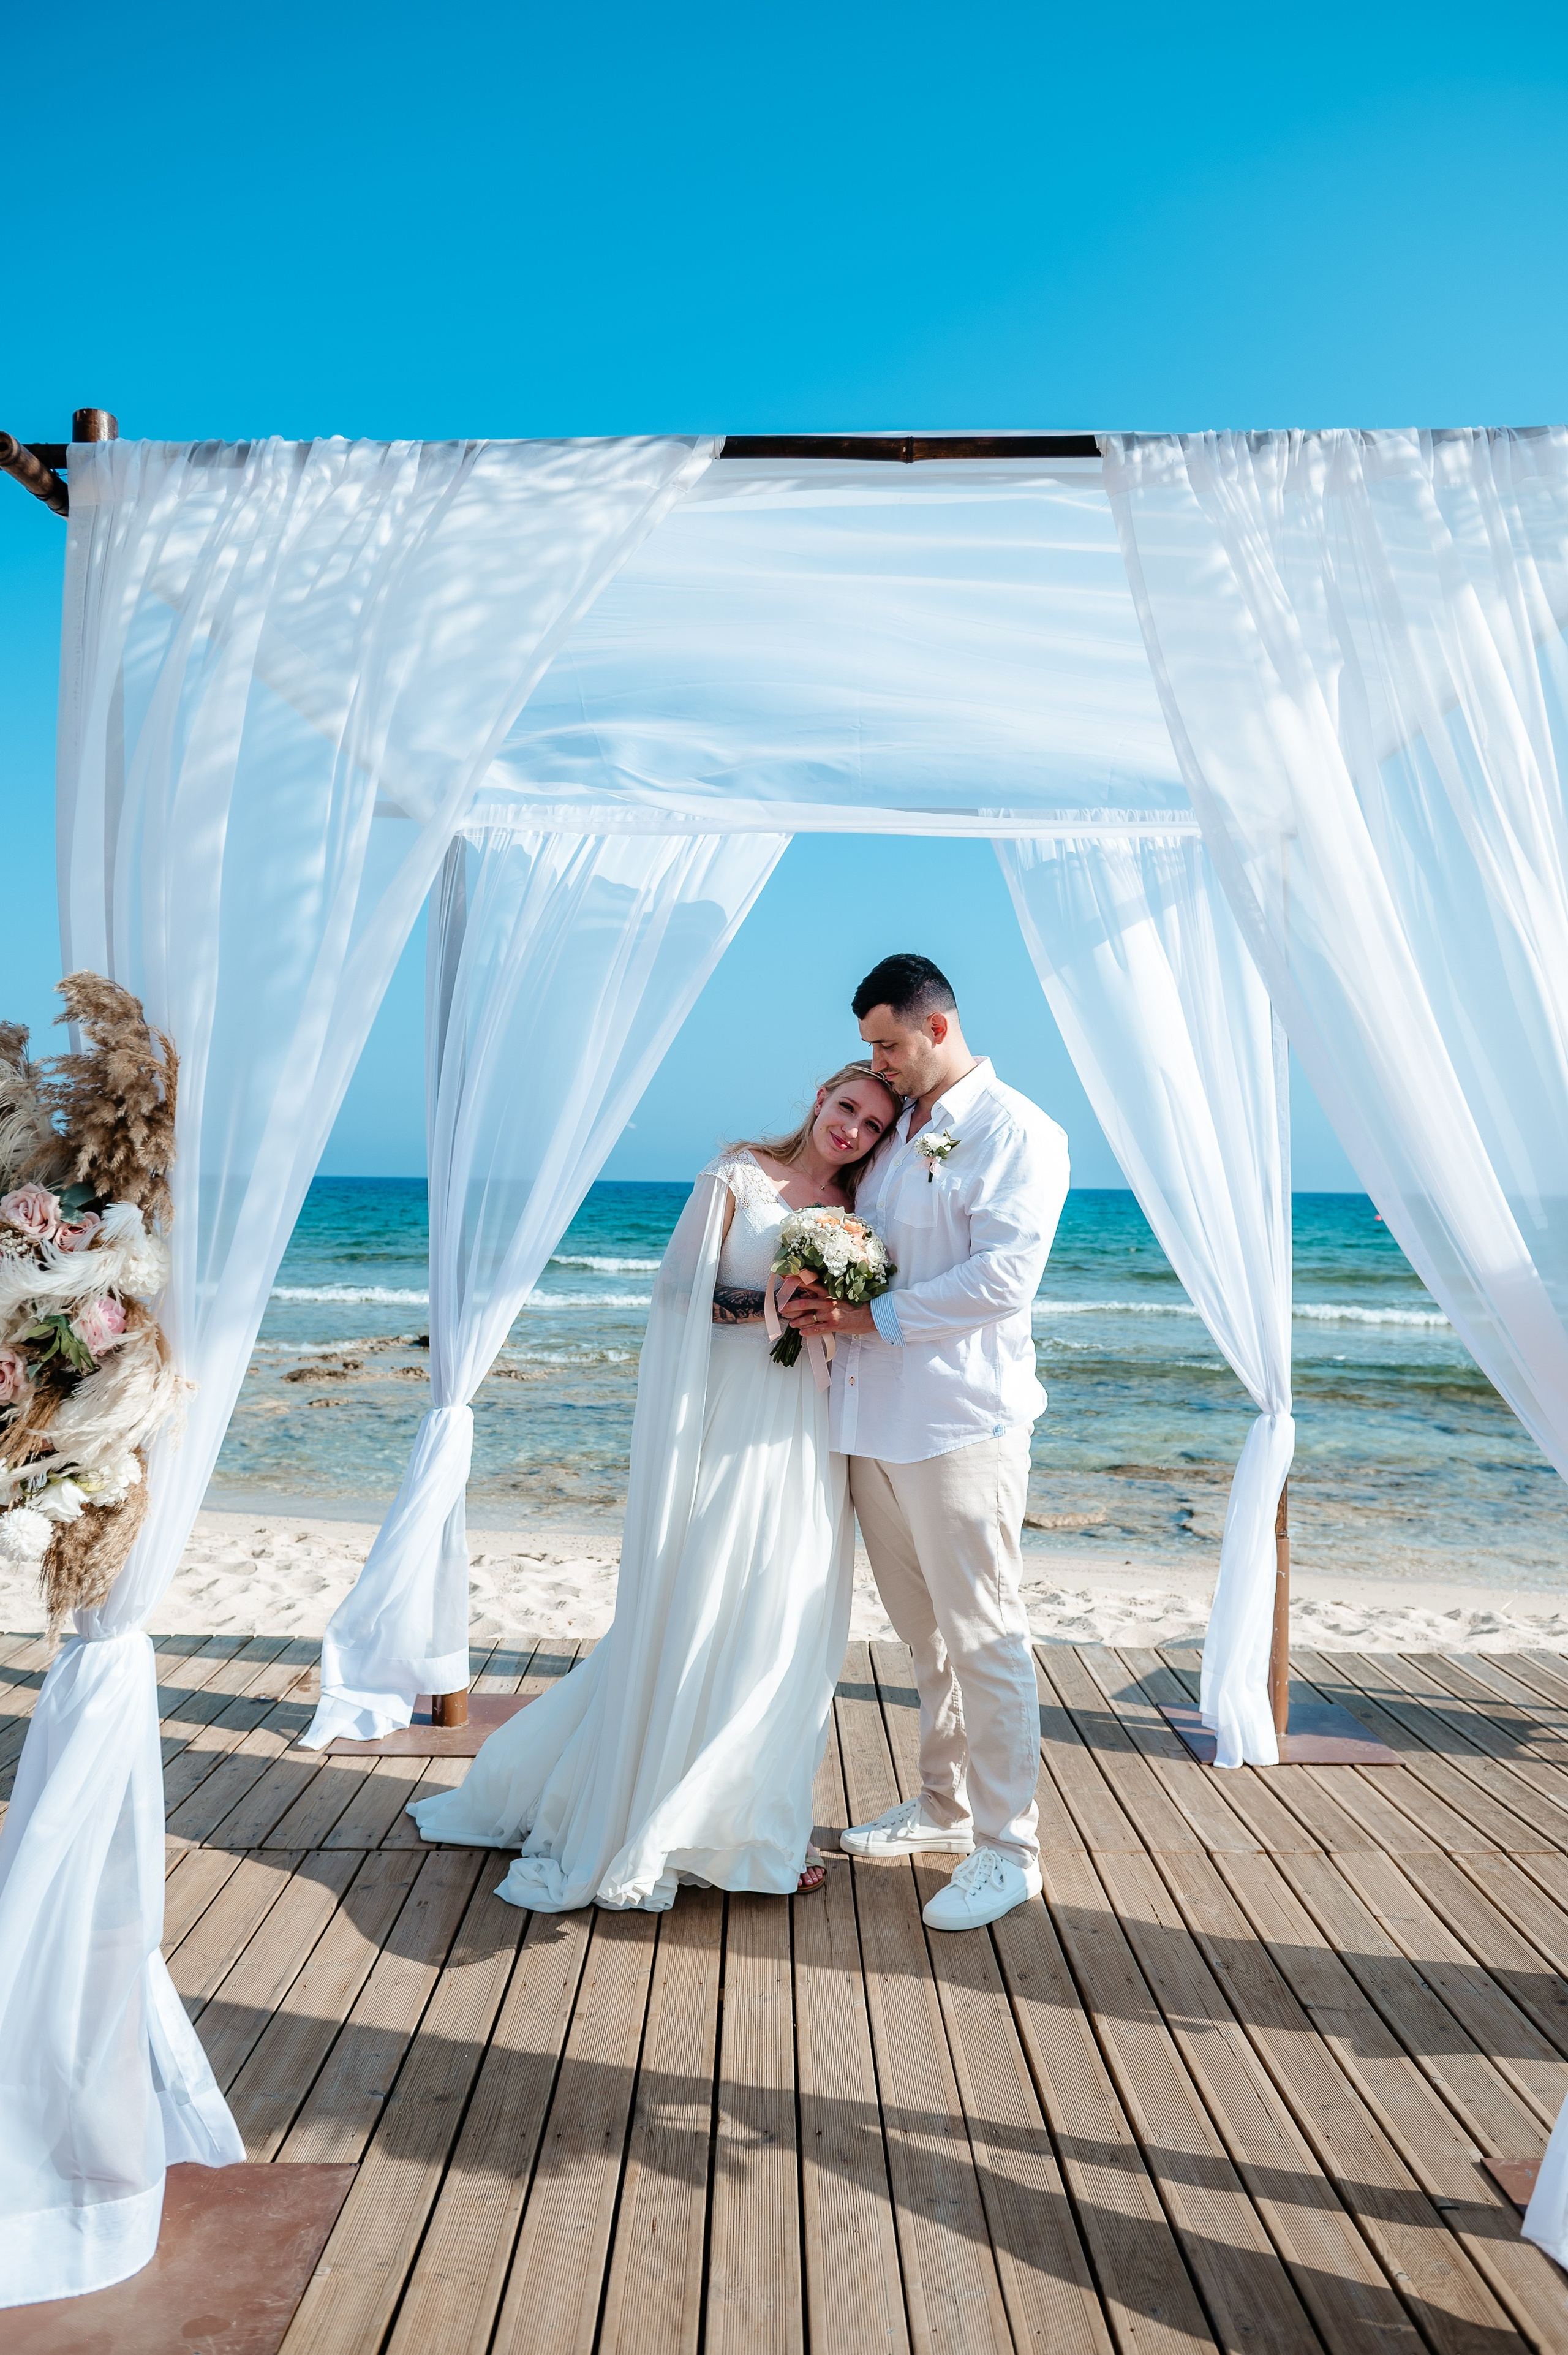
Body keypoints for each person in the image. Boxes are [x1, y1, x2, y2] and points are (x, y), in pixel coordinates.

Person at [407, 1061, 901, 1912]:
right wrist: (771, 1306)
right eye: (848, 1107)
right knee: (705, 1601)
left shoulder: (858, 1213)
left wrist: (830, 1308)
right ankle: (661, 1817)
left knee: (781, 1618)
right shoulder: (738, 1175)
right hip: (727, 1419)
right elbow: (676, 1293)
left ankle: (753, 1826)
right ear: (821, 1097)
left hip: (805, 1433)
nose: (853, 1130)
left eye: (874, 1126)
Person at [778, 953, 1068, 1931]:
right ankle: (944, 1806)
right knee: (925, 1638)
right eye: (870, 1047)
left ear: (937, 1028)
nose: (878, 1062)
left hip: (959, 1425)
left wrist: (870, 1318)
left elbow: (1004, 1278)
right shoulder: (896, 1129)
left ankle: (1010, 1849)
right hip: (872, 1424)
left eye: (887, 1043)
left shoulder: (1017, 1131)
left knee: (985, 1636)